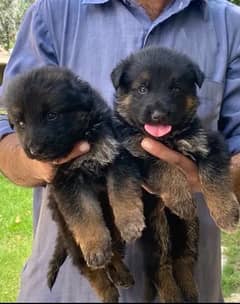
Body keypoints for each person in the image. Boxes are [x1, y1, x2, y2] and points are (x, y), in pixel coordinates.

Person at [0, 0, 240, 302]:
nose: (157, 109)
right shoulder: (52, 12)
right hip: (71, 292)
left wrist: (208, 181)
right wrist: (44, 158)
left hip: (189, 282)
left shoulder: (232, 24)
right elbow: (7, 129)